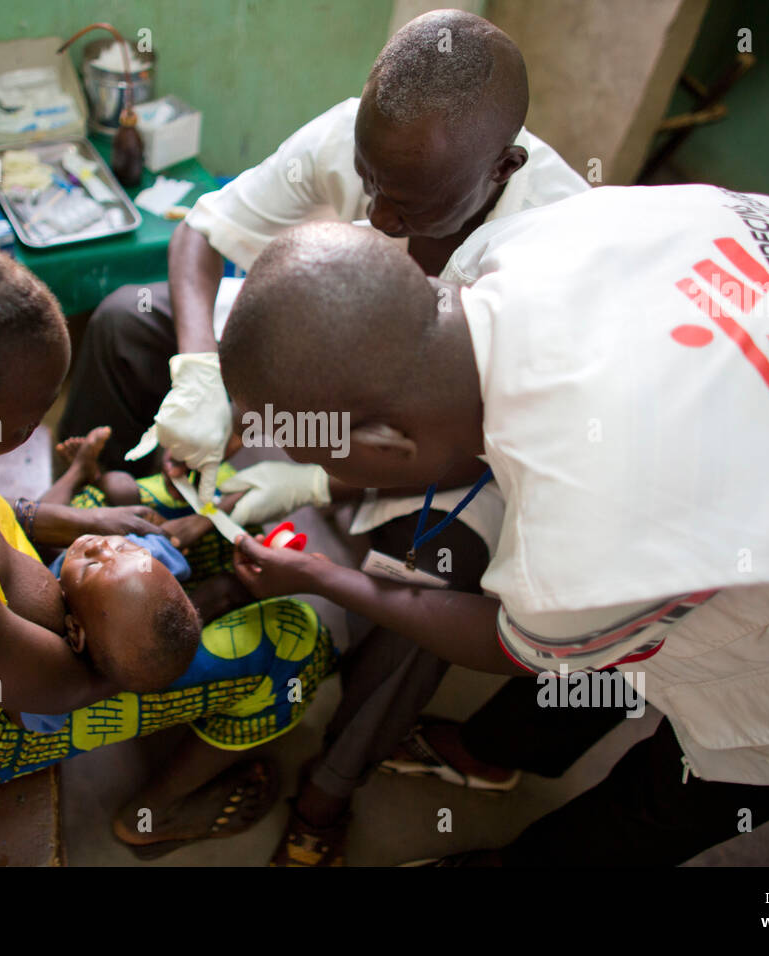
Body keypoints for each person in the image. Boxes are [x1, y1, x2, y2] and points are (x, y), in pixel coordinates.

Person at [217, 185, 769, 865]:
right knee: (621, 646)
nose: (342, 481)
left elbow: (518, 645)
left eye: (342, 463)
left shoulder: (601, 520)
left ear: (385, 446)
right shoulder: (524, 246)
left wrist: (327, 577)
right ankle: (494, 749)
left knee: (667, 802)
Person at [61, 7, 588, 865]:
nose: (377, 215)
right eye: (369, 181)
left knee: (442, 565)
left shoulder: (556, 254)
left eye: (407, 202)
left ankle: (330, 789)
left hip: (459, 433)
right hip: (326, 352)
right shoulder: (360, 134)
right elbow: (202, 235)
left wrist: (313, 480)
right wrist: (200, 373)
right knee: (130, 319)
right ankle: (93, 518)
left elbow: (472, 445)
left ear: (504, 168)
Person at [0, 176, 333, 860]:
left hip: (5, 624)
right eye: (21, 418)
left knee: (175, 502)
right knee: (293, 643)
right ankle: (153, 814)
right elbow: (74, 685)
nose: (39, 423)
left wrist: (78, 523)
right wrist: (196, 605)